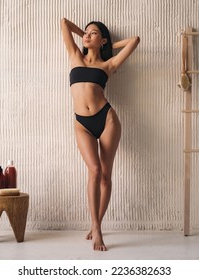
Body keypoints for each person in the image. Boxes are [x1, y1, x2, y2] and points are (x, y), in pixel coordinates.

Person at [61, 18, 140, 251]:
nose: (86, 35)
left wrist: (107, 45)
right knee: (94, 171)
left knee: (105, 176)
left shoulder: (108, 65)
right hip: (82, 124)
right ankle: (96, 227)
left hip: (107, 120)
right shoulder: (75, 55)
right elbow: (64, 23)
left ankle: (97, 224)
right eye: (85, 33)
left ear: (103, 39)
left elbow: (135, 41)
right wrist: (85, 35)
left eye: (93, 33)